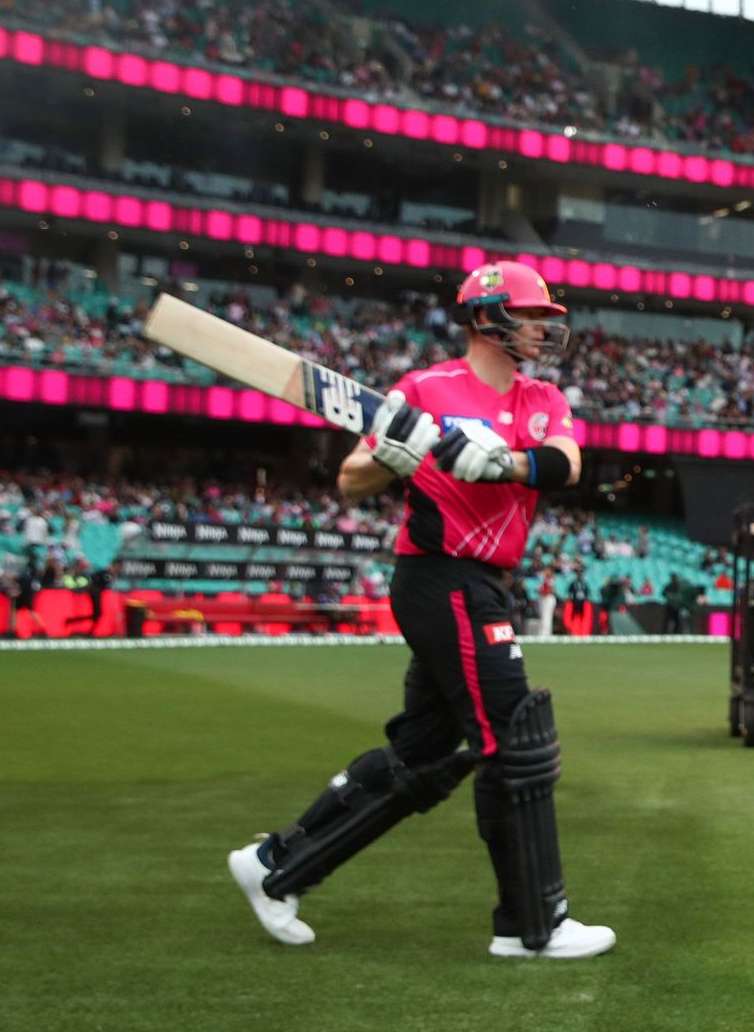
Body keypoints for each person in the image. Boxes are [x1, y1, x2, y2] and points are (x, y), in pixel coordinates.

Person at [227, 261, 615, 960]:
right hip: (442, 576)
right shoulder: (422, 392)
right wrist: (397, 459)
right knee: (510, 740)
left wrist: (504, 464)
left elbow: (565, 463)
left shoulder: (542, 398)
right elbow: (352, 479)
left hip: (483, 583)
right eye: (532, 315)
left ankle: (275, 865)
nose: (543, 327)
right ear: (485, 318)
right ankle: (531, 927)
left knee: (423, 750)